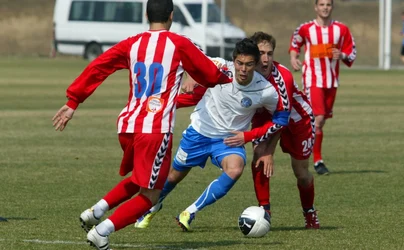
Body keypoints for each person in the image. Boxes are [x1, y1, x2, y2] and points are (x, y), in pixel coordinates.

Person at [51, 0, 233, 249]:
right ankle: (102, 231)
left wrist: (74, 101)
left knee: (141, 179)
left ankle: (95, 212)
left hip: (127, 126)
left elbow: (99, 66)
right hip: (154, 130)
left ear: (146, 14)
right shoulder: (179, 44)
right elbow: (210, 75)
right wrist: (225, 76)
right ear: (171, 15)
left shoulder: (132, 43)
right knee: (150, 195)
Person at [134, 38, 291, 230]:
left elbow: (281, 119)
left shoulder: (266, 91)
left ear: (256, 64)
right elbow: (189, 50)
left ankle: (190, 212)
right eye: (239, 63)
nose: (243, 69)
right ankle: (152, 207)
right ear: (233, 61)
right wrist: (193, 75)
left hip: (228, 141)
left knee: (235, 168)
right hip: (199, 133)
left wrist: (248, 136)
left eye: (249, 64)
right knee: (173, 177)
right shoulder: (219, 66)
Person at [248, 32, 319, 229]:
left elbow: (283, 117)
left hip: (297, 120)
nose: (265, 59)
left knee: (301, 172)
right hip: (266, 117)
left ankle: (310, 212)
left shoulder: (283, 77)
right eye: (261, 53)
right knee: (258, 158)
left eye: (269, 53)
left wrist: (270, 151)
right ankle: (265, 211)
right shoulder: (246, 70)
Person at [289, 0, 356, 175]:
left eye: (328, 4)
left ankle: (305, 147)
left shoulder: (341, 29)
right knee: (318, 119)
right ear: (316, 7)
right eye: (322, 4)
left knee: (321, 122)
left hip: (331, 81)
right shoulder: (306, 28)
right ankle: (317, 160)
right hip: (313, 79)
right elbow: (295, 42)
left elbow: (352, 51)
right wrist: (294, 57)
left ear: (332, 7)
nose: (325, 7)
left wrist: (341, 54)